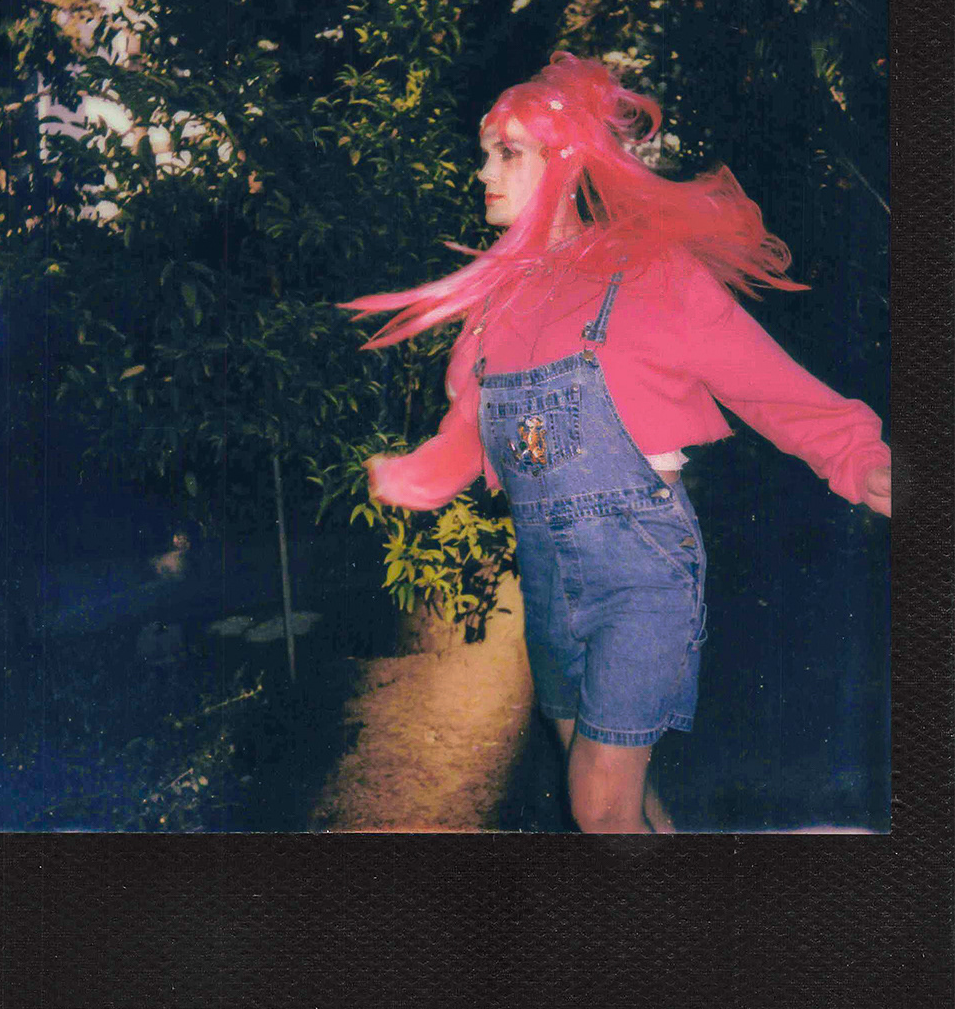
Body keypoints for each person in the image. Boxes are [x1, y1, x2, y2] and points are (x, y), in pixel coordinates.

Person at [341, 52, 891, 834]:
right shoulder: (493, 305)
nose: (483, 172)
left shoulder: (649, 273)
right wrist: (416, 475)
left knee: (598, 803)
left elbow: (770, 385)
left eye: (507, 152)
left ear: (566, 161)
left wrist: (861, 459)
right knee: (613, 792)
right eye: (485, 152)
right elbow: (472, 431)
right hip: (546, 578)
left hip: (642, 566)